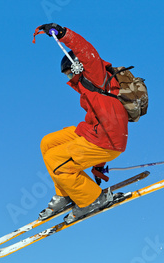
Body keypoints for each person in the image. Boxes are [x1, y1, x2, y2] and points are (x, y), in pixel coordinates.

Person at [36, 23, 129, 223]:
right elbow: (104, 123)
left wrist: (62, 33)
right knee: (48, 143)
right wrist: (99, 166)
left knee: (56, 160)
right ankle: (66, 193)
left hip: (106, 139)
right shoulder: (88, 90)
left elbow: (86, 50)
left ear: (77, 66)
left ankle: (93, 199)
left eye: (69, 73)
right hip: (98, 133)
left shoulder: (95, 74)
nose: (69, 79)